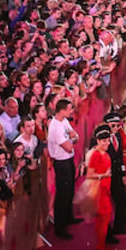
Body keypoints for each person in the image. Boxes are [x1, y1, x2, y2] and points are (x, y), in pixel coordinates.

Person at [48, 98, 80, 239]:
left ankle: (69, 217)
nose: (72, 111)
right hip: (61, 163)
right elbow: (69, 146)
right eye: (69, 109)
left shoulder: (64, 121)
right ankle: (60, 227)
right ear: (62, 110)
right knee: (63, 194)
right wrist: (73, 139)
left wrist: (73, 139)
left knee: (70, 189)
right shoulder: (55, 127)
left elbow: (74, 136)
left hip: (68, 160)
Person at [87, 124, 117, 250]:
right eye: (104, 141)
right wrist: (103, 175)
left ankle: (101, 246)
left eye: (108, 141)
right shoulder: (96, 155)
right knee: (103, 221)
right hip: (99, 192)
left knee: (102, 221)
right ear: (98, 141)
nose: (107, 143)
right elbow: (89, 174)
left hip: (105, 191)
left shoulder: (104, 153)